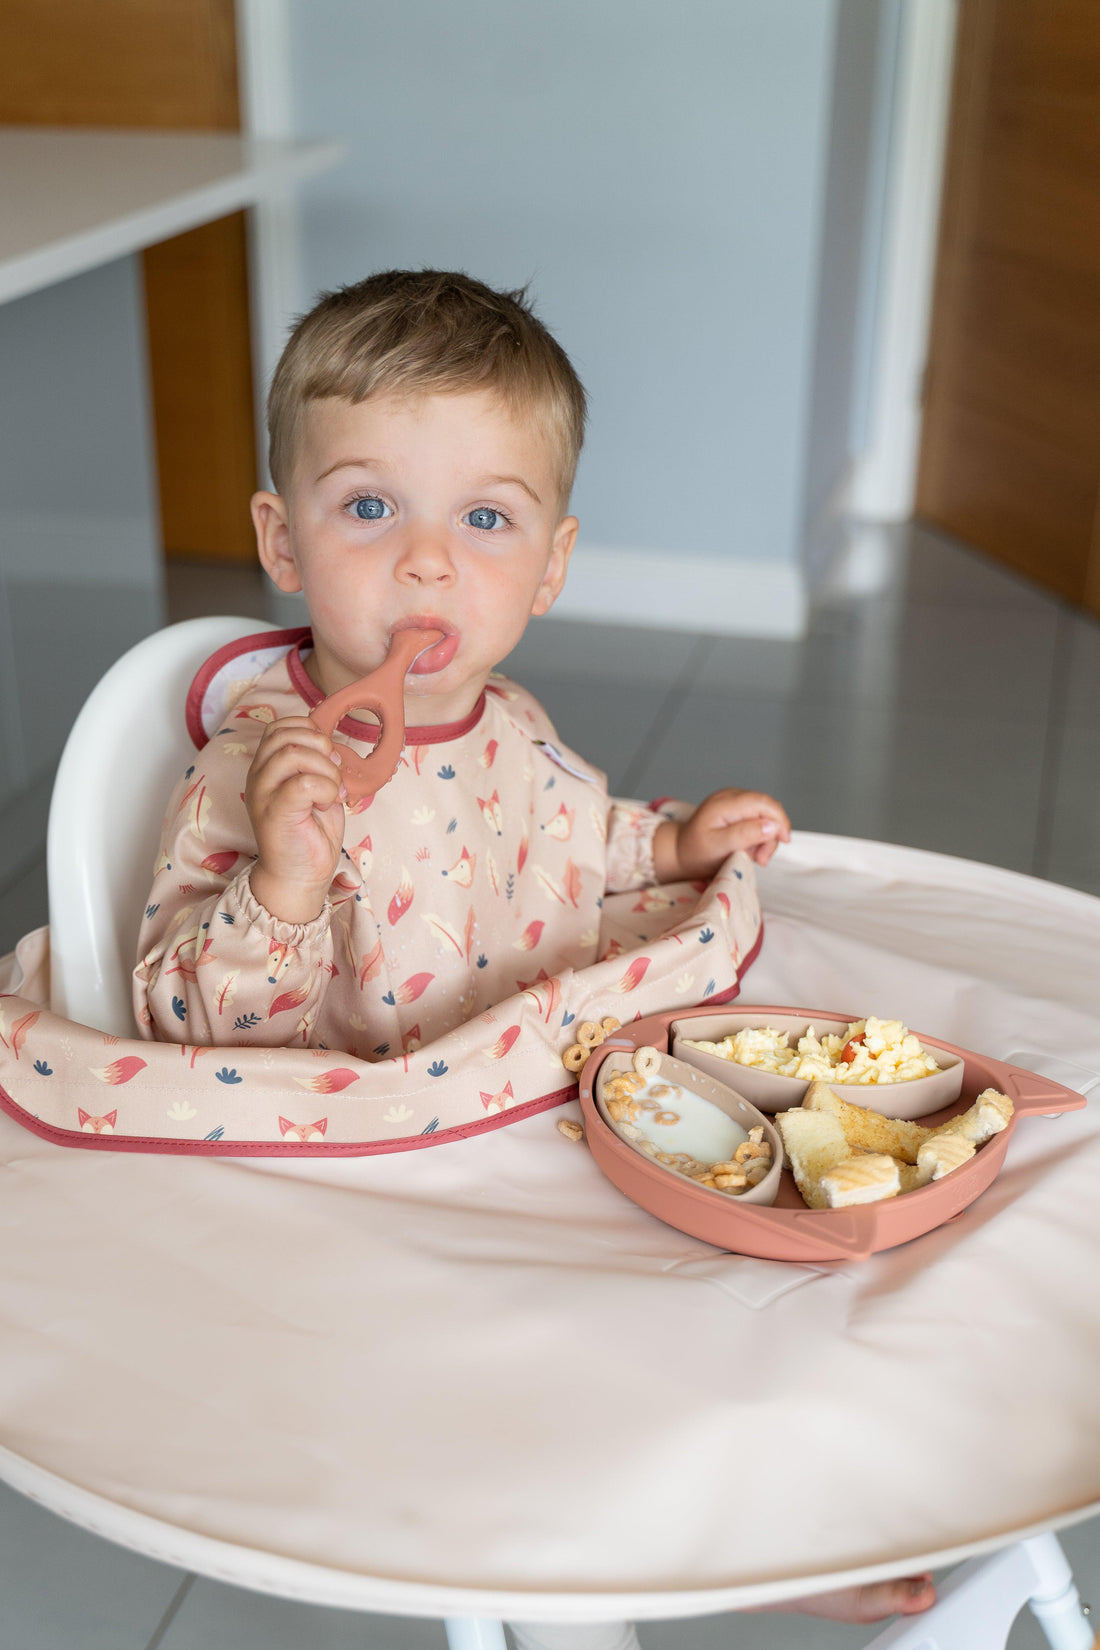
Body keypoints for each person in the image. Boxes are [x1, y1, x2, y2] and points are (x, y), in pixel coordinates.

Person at [133, 269, 934, 1638]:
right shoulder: (254, 769)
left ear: (551, 565)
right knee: (572, 1365)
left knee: (763, 1269)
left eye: (484, 519)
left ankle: (767, 1526)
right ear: (282, 536)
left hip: (543, 1110)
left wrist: (666, 850)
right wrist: (283, 879)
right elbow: (189, 1032)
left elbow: (568, 836)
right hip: (381, 1184)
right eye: (370, 506)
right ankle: (643, 1563)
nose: (428, 560)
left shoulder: (511, 721)